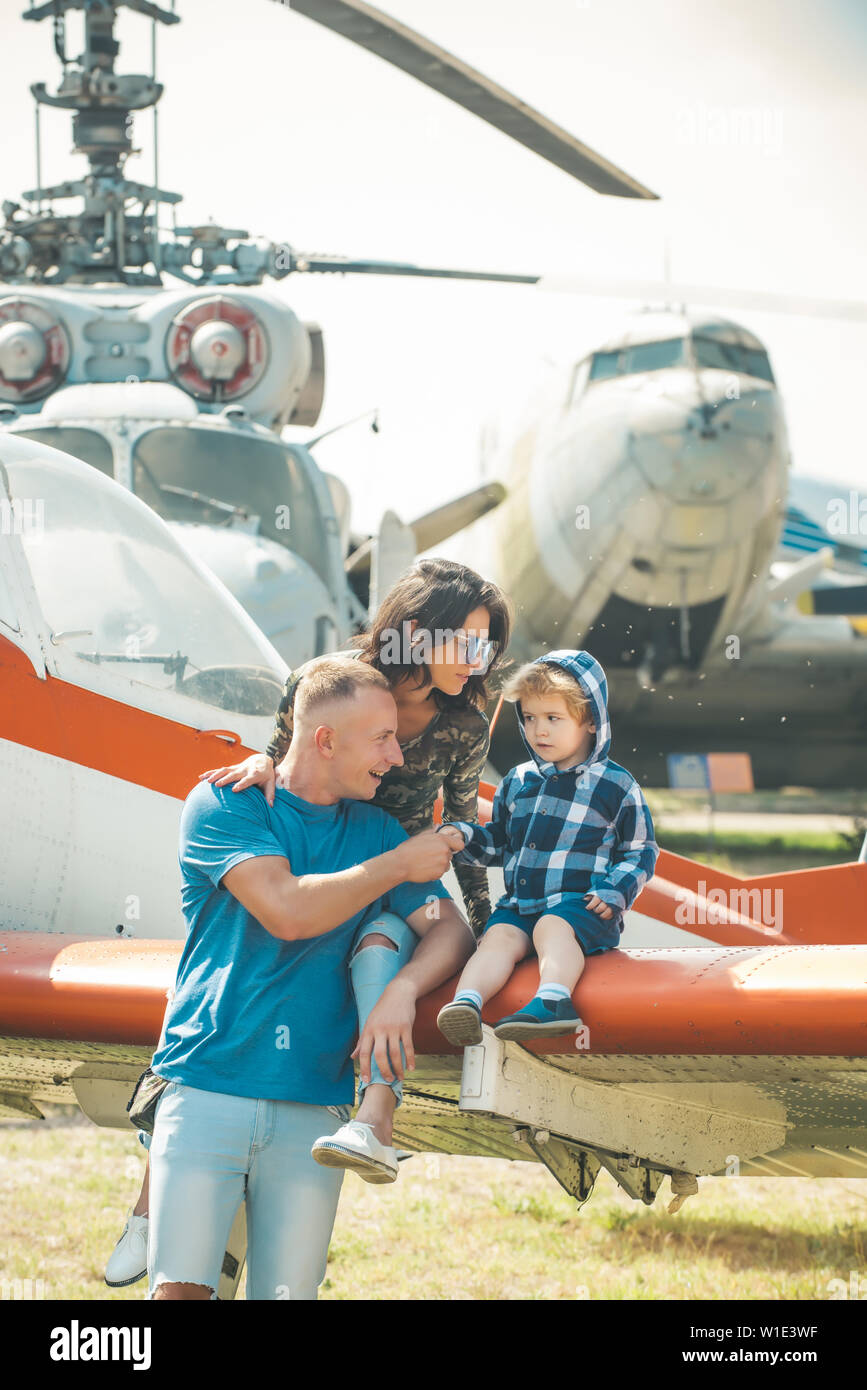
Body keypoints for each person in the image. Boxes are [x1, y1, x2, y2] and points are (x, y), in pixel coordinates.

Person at [105, 558, 511, 1285]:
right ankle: (150, 1207)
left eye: (488, 646)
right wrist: (262, 770)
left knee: (380, 948)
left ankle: (374, 1114)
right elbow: (290, 740)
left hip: (400, 858)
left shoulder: (463, 721)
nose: (478, 661)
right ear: (415, 635)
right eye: (465, 643)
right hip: (374, 864)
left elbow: (462, 816)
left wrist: (480, 925)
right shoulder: (335, 681)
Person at [146, 657, 471, 1299]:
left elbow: (451, 929)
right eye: (382, 739)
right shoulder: (222, 802)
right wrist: (395, 866)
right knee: (178, 1295)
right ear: (325, 740)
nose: (398, 758)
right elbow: (289, 910)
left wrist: (402, 990)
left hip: (315, 1105)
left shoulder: (377, 831)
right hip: (206, 1082)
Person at [436, 650, 658, 1044]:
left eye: (553, 719)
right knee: (496, 937)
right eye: (530, 718)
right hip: (522, 904)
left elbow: (640, 851)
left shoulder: (615, 784)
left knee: (552, 926)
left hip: (583, 907)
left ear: (591, 720)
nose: (539, 731)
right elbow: (502, 841)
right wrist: (465, 838)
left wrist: (614, 891)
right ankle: (466, 1004)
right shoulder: (519, 781)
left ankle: (555, 1000)